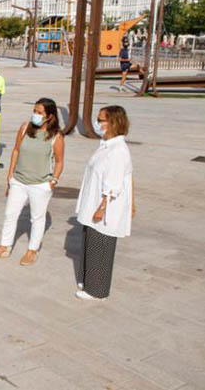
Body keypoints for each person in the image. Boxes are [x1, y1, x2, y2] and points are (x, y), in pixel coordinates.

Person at [0, 98, 65, 265]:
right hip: (19, 181)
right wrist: (10, 177)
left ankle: (32, 250)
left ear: (49, 116)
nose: (35, 115)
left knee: (37, 218)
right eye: (34, 111)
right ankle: (4, 246)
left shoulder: (56, 137)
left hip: (40, 184)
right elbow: (16, 151)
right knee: (10, 214)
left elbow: (59, 161)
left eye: (39, 112)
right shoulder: (25, 128)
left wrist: (53, 181)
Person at [75, 106, 134, 300]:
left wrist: (102, 208)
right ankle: (87, 280)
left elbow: (114, 184)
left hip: (104, 208)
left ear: (113, 123)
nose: (97, 123)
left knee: (101, 246)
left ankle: (97, 289)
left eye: (101, 121)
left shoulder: (118, 151)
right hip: (92, 204)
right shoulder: (106, 145)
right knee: (90, 244)